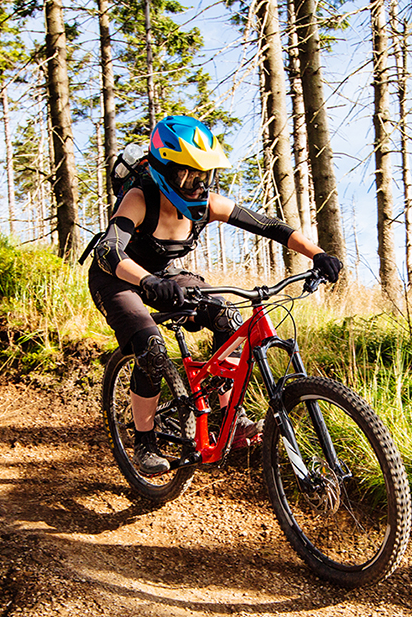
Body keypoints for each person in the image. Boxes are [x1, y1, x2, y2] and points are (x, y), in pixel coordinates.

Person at [89, 114, 342, 475]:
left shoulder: (208, 205)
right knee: (150, 347)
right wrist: (146, 282)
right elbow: (109, 251)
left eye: (204, 174)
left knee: (231, 322)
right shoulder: (139, 197)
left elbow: (271, 226)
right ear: (164, 168)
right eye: (187, 174)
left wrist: (317, 254)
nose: (197, 183)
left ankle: (229, 417)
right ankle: (145, 442)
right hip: (116, 278)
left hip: (166, 277)